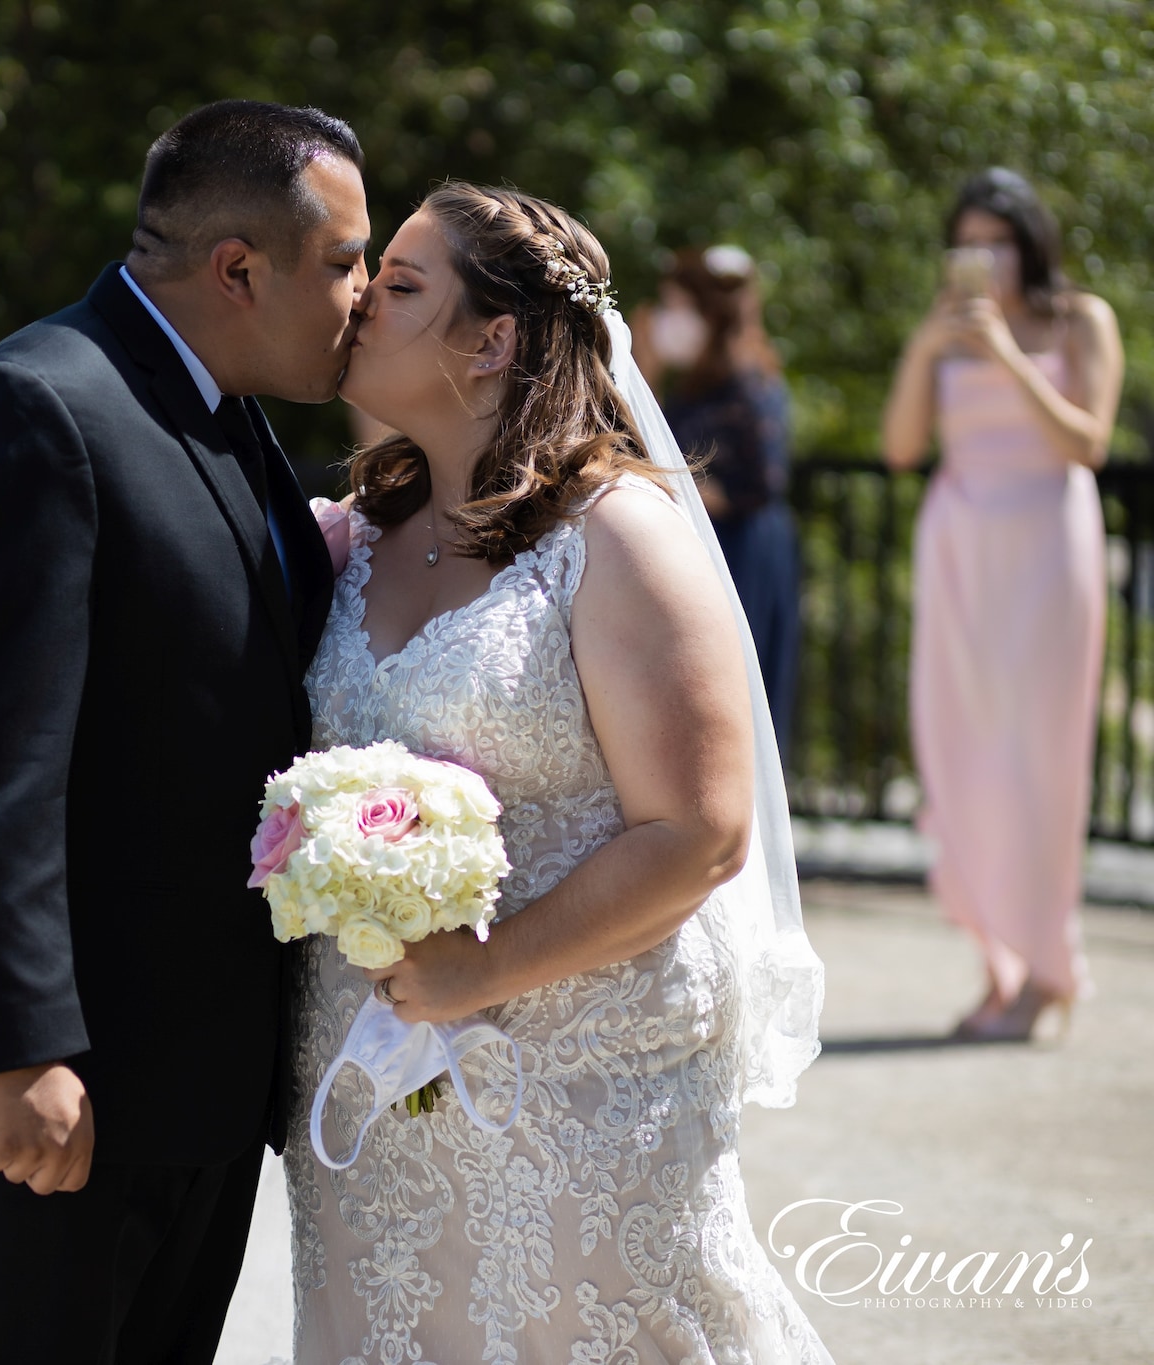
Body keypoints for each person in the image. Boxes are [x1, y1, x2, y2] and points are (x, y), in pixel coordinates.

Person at [0, 101, 366, 1364]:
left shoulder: (225, 411)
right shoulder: (33, 409)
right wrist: (13, 1050)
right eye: (345, 262)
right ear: (240, 269)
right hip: (54, 1085)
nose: (362, 296)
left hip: (189, 1079)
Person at [292, 184, 829, 1362]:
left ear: (491, 341)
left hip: (581, 1095)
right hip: (372, 1090)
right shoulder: (352, 538)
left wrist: (478, 971)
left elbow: (698, 833)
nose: (359, 302)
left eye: (400, 284)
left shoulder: (614, 536)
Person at [881, 167, 1122, 1042]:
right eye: (970, 242)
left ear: (1029, 244)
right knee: (964, 752)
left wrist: (1010, 357)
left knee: (1039, 761)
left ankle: (1048, 968)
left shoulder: (1080, 319)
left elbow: (1088, 440)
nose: (985, 257)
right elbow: (901, 447)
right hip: (960, 546)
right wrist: (924, 346)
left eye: (999, 241)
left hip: (1046, 547)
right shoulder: (945, 335)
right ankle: (1000, 965)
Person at [637, 244, 799, 756]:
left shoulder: (748, 385)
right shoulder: (693, 384)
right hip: (704, 544)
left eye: (676, 306)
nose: (666, 319)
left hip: (742, 550)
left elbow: (759, 485)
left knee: (736, 692)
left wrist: (677, 486)